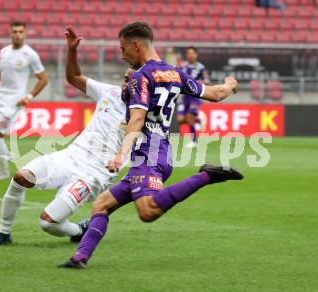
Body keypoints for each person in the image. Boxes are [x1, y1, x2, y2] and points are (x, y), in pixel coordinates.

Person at [59, 22, 243, 269]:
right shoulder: (175, 73)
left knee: (148, 211)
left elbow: (137, 119)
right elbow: (215, 94)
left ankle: (206, 176)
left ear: (137, 45)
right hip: (157, 152)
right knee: (102, 204)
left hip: (149, 154)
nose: (122, 55)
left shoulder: (140, 77)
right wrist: (231, 85)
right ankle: (79, 258)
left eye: (123, 48)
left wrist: (119, 154)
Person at [0, 26, 132, 246]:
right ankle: (3, 233)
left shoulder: (143, 114)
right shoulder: (108, 92)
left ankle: (78, 230)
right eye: (125, 78)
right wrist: (72, 51)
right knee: (20, 177)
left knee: (48, 222)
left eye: (131, 81)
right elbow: (73, 77)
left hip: (92, 175)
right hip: (69, 157)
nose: (125, 83)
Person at [0, 21, 48, 180]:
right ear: (10, 33)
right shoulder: (4, 52)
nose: (17, 34)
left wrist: (29, 96)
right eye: (14, 31)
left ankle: (3, 171)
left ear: (25, 34)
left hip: (14, 101)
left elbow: (43, 79)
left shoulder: (30, 54)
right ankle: (6, 155)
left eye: (20, 32)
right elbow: (1, 73)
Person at [177, 46, 210, 148]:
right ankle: (199, 119)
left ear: (196, 54)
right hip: (185, 96)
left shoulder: (201, 67)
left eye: (192, 53)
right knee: (181, 119)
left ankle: (194, 141)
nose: (190, 55)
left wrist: (197, 83)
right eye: (188, 53)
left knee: (190, 117)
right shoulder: (183, 66)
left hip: (195, 96)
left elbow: (207, 80)